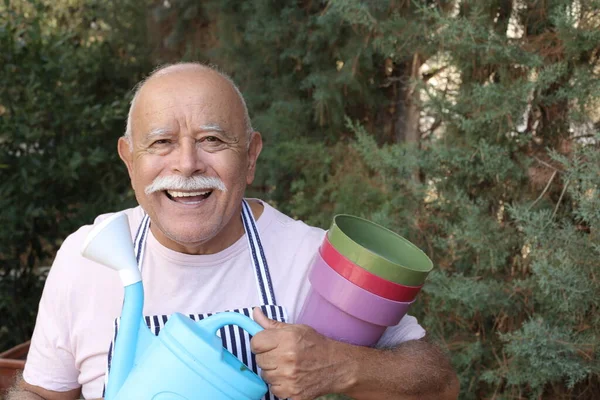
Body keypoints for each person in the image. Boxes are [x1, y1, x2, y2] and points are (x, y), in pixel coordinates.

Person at [10, 63, 459, 400]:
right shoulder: (88, 255)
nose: (186, 164)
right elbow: (41, 393)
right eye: (162, 142)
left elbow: (440, 384)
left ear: (250, 155)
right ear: (129, 159)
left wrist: (342, 365)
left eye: (212, 140)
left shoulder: (315, 258)